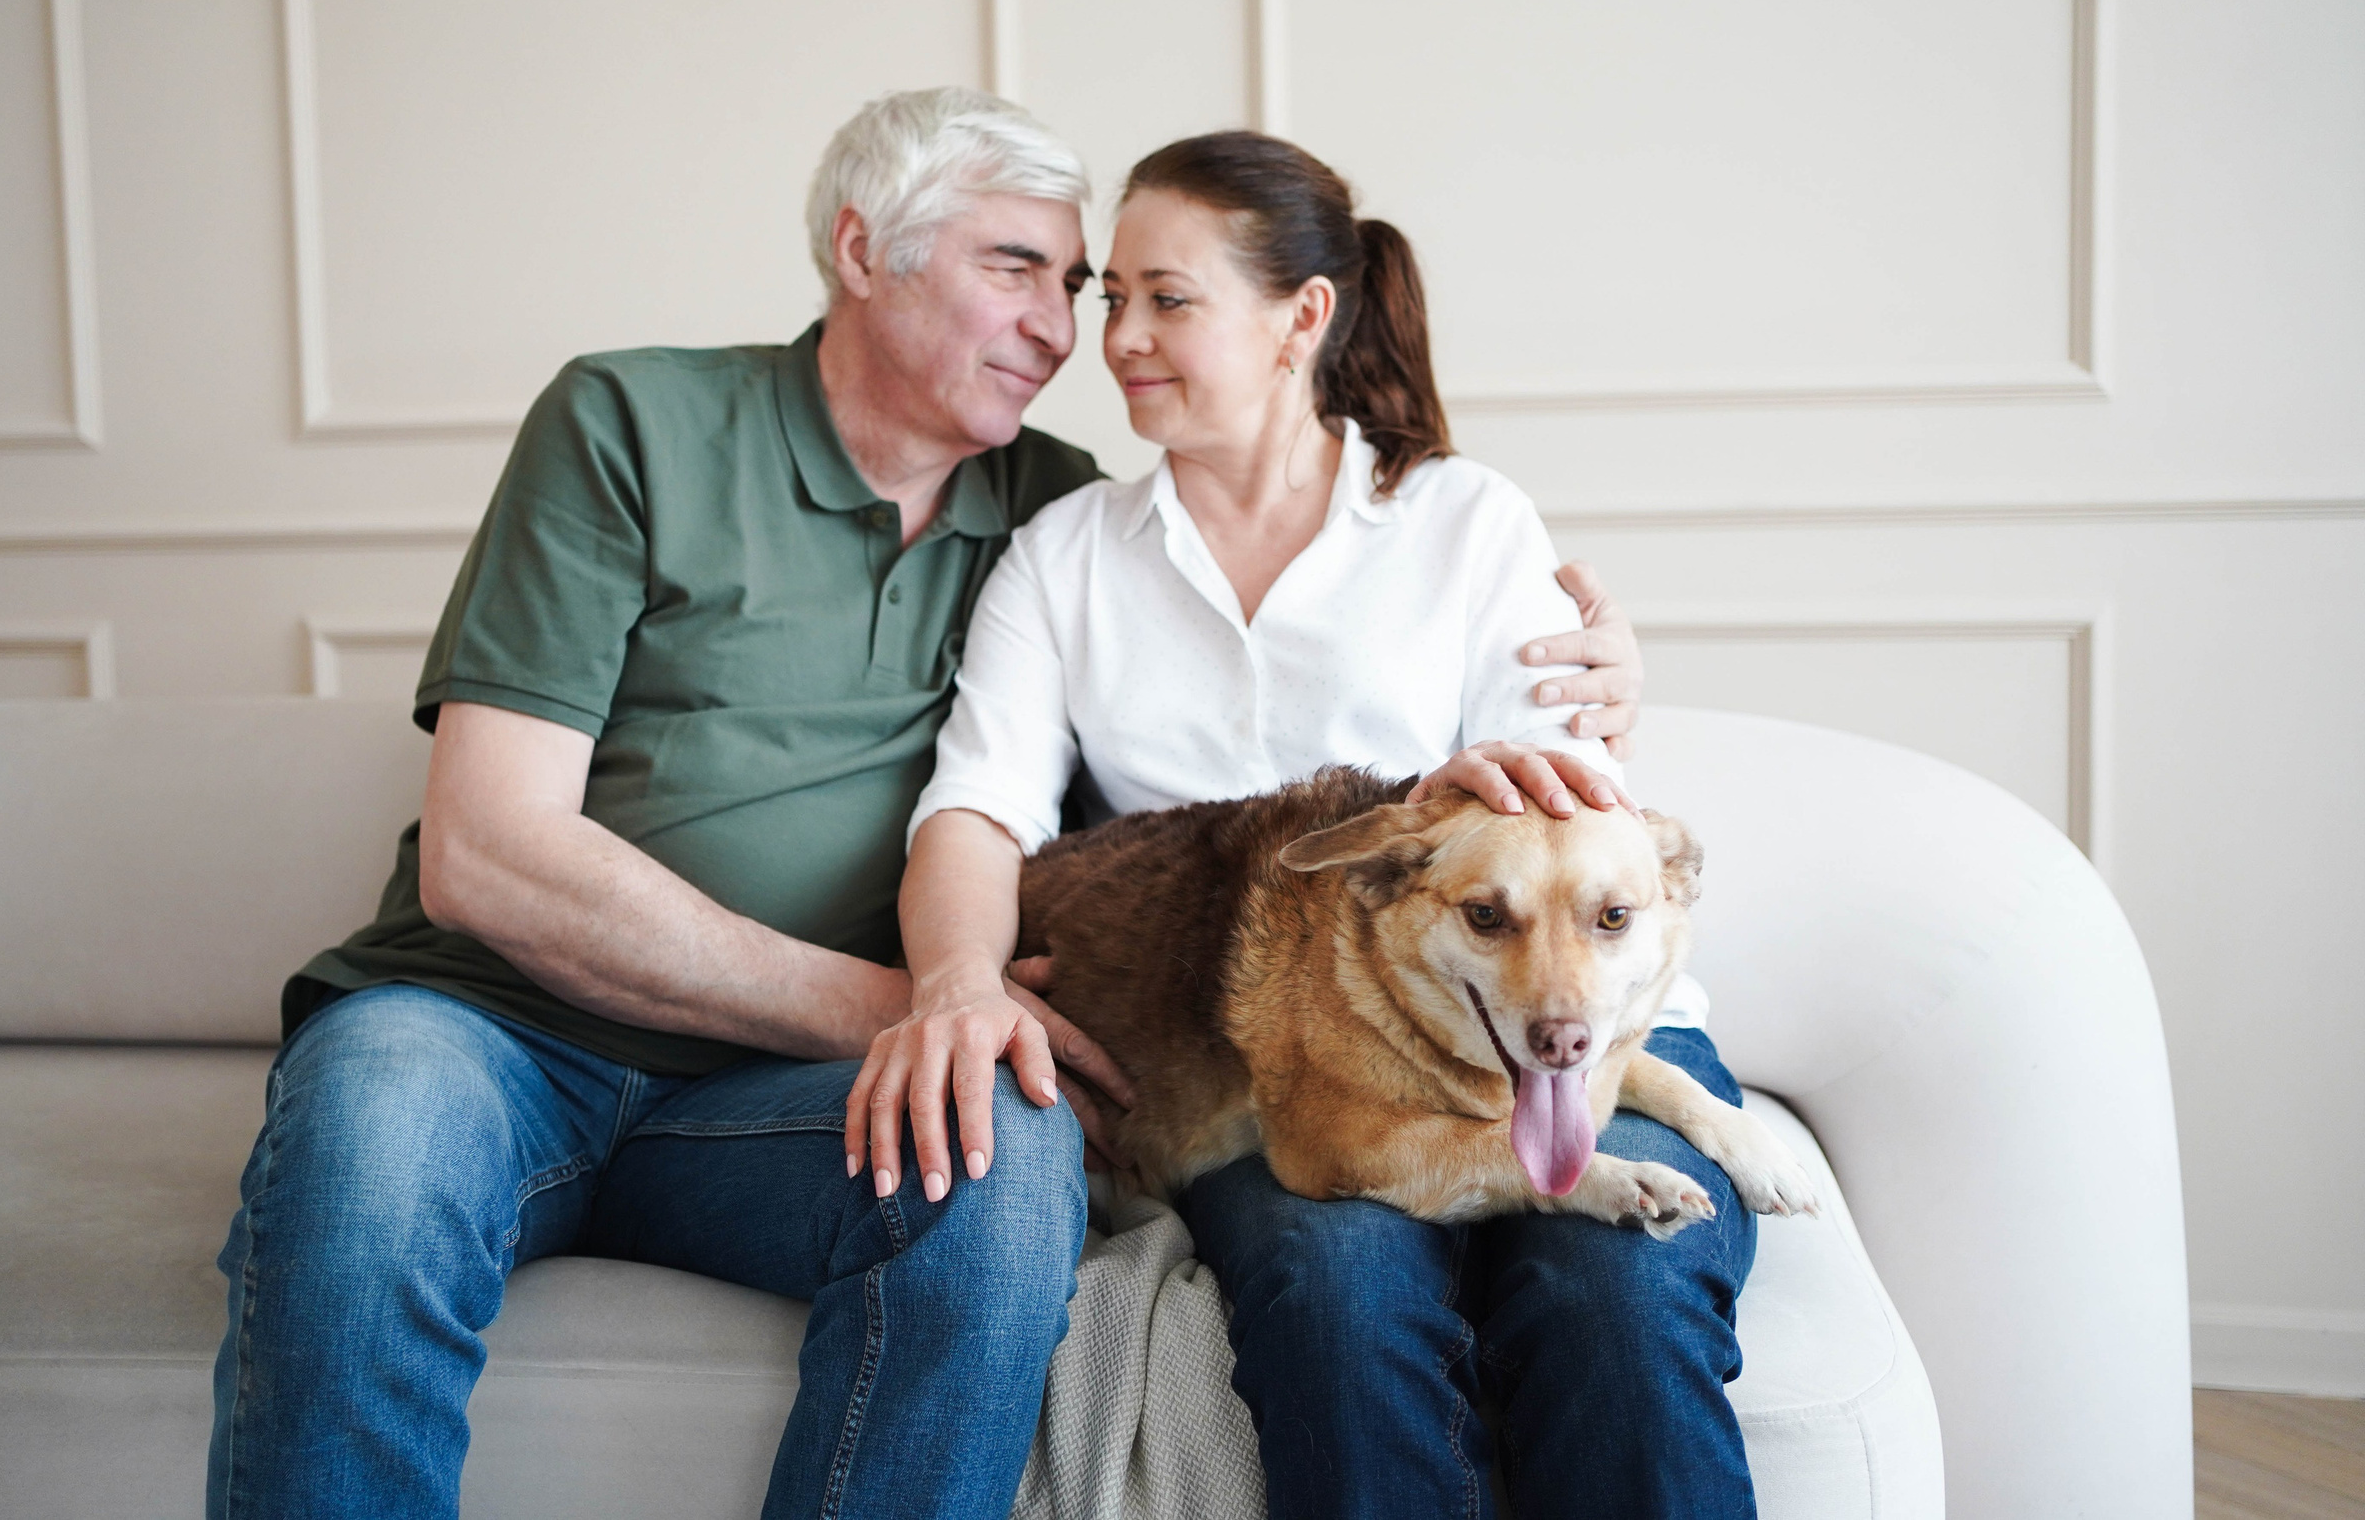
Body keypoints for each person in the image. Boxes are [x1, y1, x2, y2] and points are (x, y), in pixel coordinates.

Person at [206, 89, 1648, 1520]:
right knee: (372, 1144)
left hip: (776, 1107)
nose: (1068, 328)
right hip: (491, 1032)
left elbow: (1171, 806)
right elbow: (487, 857)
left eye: (1077, 284)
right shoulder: (631, 421)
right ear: (861, 251)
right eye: (1014, 269)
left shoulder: (1055, 513)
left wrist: (1601, 686)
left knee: (1005, 1158)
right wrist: (917, 1003)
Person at [849, 131, 1755, 1519]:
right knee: (1332, 1296)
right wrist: (961, 983)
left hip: (1578, 1034)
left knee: (1617, 1300)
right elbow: (977, 811)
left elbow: (1570, 827)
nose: (1123, 339)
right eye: (1115, 304)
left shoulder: (1464, 524)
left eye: (1170, 299)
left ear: (1304, 318)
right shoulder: (1067, 558)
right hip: (1299, 1067)